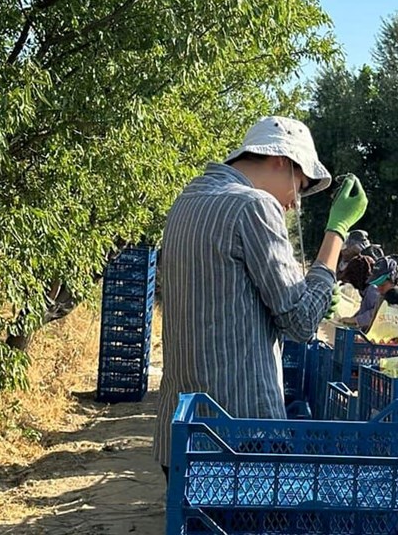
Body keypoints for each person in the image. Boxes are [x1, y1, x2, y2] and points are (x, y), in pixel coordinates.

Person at [152, 116, 368, 480]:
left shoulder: (188, 200)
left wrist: (310, 291)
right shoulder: (253, 206)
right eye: (299, 187)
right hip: (239, 434)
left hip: (182, 432)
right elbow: (300, 323)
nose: (295, 204)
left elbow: (230, 297)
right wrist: (336, 233)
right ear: (280, 160)